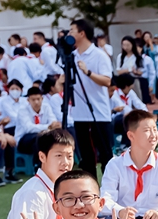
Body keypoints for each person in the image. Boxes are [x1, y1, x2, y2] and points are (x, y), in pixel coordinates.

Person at [68, 18, 114, 176]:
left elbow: (107, 81)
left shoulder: (99, 55)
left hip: (99, 113)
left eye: (71, 30)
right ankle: (90, 191)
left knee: (106, 155)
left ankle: (110, 191)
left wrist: (88, 72)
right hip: (79, 113)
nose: (69, 34)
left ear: (82, 33)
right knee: (86, 158)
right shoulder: (71, 56)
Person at [15, 86, 60, 160]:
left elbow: (53, 121)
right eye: (33, 100)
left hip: (42, 137)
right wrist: (48, 127)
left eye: (38, 99)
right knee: (38, 138)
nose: (36, 102)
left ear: (42, 99)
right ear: (28, 100)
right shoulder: (22, 111)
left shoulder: (46, 107)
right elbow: (29, 128)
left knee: (49, 138)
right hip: (23, 140)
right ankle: (38, 163)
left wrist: (54, 125)